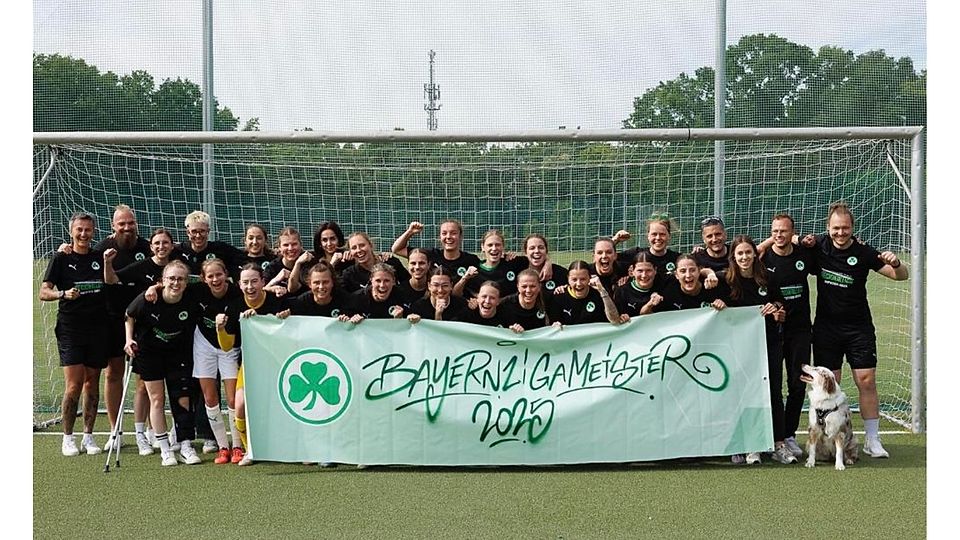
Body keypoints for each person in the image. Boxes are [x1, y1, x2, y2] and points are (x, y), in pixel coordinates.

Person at [803, 201, 908, 458]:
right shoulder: (819, 246)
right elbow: (788, 242)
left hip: (858, 328)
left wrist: (896, 263)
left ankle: (872, 440)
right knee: (831, 383)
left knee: (866, 380)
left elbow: (901, 275)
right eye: (836, 228)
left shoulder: (863, 252)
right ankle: (826, 443)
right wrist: (800, 239)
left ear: (852, 227)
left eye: (845, 228)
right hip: (826, 329)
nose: (841, 233)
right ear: (828, 228)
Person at [720, 235, 794, 466]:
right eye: (740, 253)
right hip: (739, 347)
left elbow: (781, 304)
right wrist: (718, 305)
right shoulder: (725, 281)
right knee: (746, 393)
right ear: (733, 257)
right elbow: (714, 305)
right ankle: (751, 444)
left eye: (748, 252)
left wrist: (777, 307)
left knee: (773, 392)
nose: (744, 257)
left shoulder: (768, 278)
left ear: (755, 253)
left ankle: (779, 444)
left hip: (768, 342)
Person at [40, 212, 109, 456]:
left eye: (87, 230)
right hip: (71, 329)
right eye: (79, 229)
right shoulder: (61, 258)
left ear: (93, 232)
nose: (83, 234)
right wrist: (62, 294)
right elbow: (43, 292)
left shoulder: (99, 257)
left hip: (97, 329)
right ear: (71, 231)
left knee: (92, 383)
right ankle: (67, 438)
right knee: (74, 384)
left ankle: (88, 436)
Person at [103, 226, 176, 456]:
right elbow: (112, 279)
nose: (161, 247)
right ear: (151, 246)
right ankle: (140, 433)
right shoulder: (142, 266)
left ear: (172, 245)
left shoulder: (177, 267)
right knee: (143, 385)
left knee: (167, 385)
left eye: (165, 243)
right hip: (145, 334)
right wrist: (107, 263)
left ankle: (159, 431)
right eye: (157, 243)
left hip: (172, 334)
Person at [123, 260, 202, 466]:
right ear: (163, 280)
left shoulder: (191, 297)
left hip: (178, 353)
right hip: (150, 353)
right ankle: (165, 449)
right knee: (157, 399)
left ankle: (185, 444)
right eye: (172, 278)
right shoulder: (149, 298)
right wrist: (129, 339)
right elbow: (129, 315)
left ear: (187, 282)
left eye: (181, 279)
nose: (176, 283)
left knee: (182, 398)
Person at [93, 204, 153, 452]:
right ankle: (114, 430)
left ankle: (149, 429)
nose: (127, 228)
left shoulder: (147, 247)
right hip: (112, 319)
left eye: (131, 223)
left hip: (144, 319)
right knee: (113, 373)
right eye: (122, 224)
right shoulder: (102, 249)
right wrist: (65, 249)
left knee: (146, 377)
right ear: (113, 226)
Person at [216, 263, 287, 466]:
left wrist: (282, 319)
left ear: (263, 282)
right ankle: (251, 450)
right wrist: (220, 329)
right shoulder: (235, 307)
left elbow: (292, 328)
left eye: (254, 281)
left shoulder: (277, 301)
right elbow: (227, 346)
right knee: (239, 405)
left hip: (280, 364)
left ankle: (292, 448)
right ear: (239, 284)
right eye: (245, 282)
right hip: (250, 365)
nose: (250, 286)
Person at [759, 213, 818, 459]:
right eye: (775, 231)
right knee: (772, 386)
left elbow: (821, 252)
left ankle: (790, 434)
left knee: (797, 384)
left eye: (784, 231)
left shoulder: (804, 255)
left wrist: (805, 240)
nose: (779, 235)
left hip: (800, 330)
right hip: (772, 331)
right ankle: (774, 436)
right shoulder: (763, 258)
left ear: (792, 233)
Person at [391, 219, 481, 278]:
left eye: (453, 233)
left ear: (460, 236)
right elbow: (397, 249)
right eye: (444, 233)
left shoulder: (471, 260)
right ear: (439, 237)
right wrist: (410, 232)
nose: (448, 237)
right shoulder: (431, 254)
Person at [176, 210, 245, 283]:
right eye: (194, 231)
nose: (198, 236)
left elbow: (245, 260)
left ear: (208, 231)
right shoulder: (178, 251)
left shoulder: (221, 249)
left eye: (202, 231)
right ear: (188, 232)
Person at [456, 229, 526, 298]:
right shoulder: (475, 271)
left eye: (498, 245)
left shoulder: (513, 264)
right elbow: (460, 294)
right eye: (490, 245)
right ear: (483, 247)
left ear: (503, 247)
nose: (494, 248)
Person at [612, 212, 681, 280]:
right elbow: (609, 258)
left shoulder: (677, 259)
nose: (658, 238)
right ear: (648, 236)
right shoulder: (636, 254)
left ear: (669, 236)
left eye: (662, 234)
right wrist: (615, 240)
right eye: (654, 234)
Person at [548, 261, 620, 326]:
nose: (578, 284)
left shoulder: (599, 293)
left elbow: (615, 320)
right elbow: (553, 325)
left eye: (583, 279)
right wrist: (555, 325)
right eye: (574, 280)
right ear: (568, 279)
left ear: (590, 278)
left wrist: (603, 292)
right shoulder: (559, 297)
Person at [647, 254, 725, 314]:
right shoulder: (669, 292)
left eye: (692, 270)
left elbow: (729, 316)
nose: (688, 275)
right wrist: (650, 304)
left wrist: (723, 307)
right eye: (683, 271)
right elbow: (648, 317)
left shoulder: (713, 287)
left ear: (699, 271)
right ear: (676, 275)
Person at [278, 261, 352, 319]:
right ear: (310, 284)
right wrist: (285, 316)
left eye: (325, 282)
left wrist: (352, 319)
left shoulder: (345, 300)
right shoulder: (301, 302)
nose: (321, 287)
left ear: (332, 282)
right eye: (316, 283)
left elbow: (354, 319)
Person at [340, 232, 410, 293]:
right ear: (350, 251)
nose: (358, 250)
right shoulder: (349, 274)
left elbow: (408, 284)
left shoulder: (390, 262)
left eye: (362, 245)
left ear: (370, 245)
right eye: (354, 248)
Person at [614, 251, 660, 322]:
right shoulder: (622, 292)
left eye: (648, 270)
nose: (644, 275)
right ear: (632, 271)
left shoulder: (663, 288)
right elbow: (615, 318)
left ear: (655, 270)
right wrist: (621, 318)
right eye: (640, 271)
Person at [263, 226, 308, 297]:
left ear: (300, 245)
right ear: (279, 247)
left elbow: (293, 289)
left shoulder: (308, 264)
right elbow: (261, 290)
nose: (290, 248)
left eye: (294, 244)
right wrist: (275, 281)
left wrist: (297, 264)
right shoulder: (272, 267)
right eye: (286, 245)